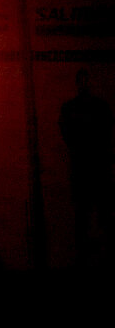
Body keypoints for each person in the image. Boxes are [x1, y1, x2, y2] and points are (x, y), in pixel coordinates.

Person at [59, 68, 113, 261]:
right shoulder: (74, 109)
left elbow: (106, 135)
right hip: (85, 167)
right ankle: (85, 253)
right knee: (83, 213)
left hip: (95, 167)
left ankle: (102, 251)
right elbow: (67, 134)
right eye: (82, 81)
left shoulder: (98, 108)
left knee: (100, 212)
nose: (84, 85)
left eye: (86, 81)